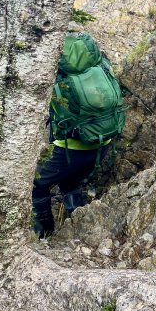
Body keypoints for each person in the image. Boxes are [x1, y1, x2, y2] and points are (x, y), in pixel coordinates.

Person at [32, 32, 125, 239]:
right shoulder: (100, 65)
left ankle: (43, 231)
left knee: (38, 184)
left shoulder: (58, 75)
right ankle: (75, 222)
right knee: (69, 180)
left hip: (71, 149)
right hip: (104, 142)